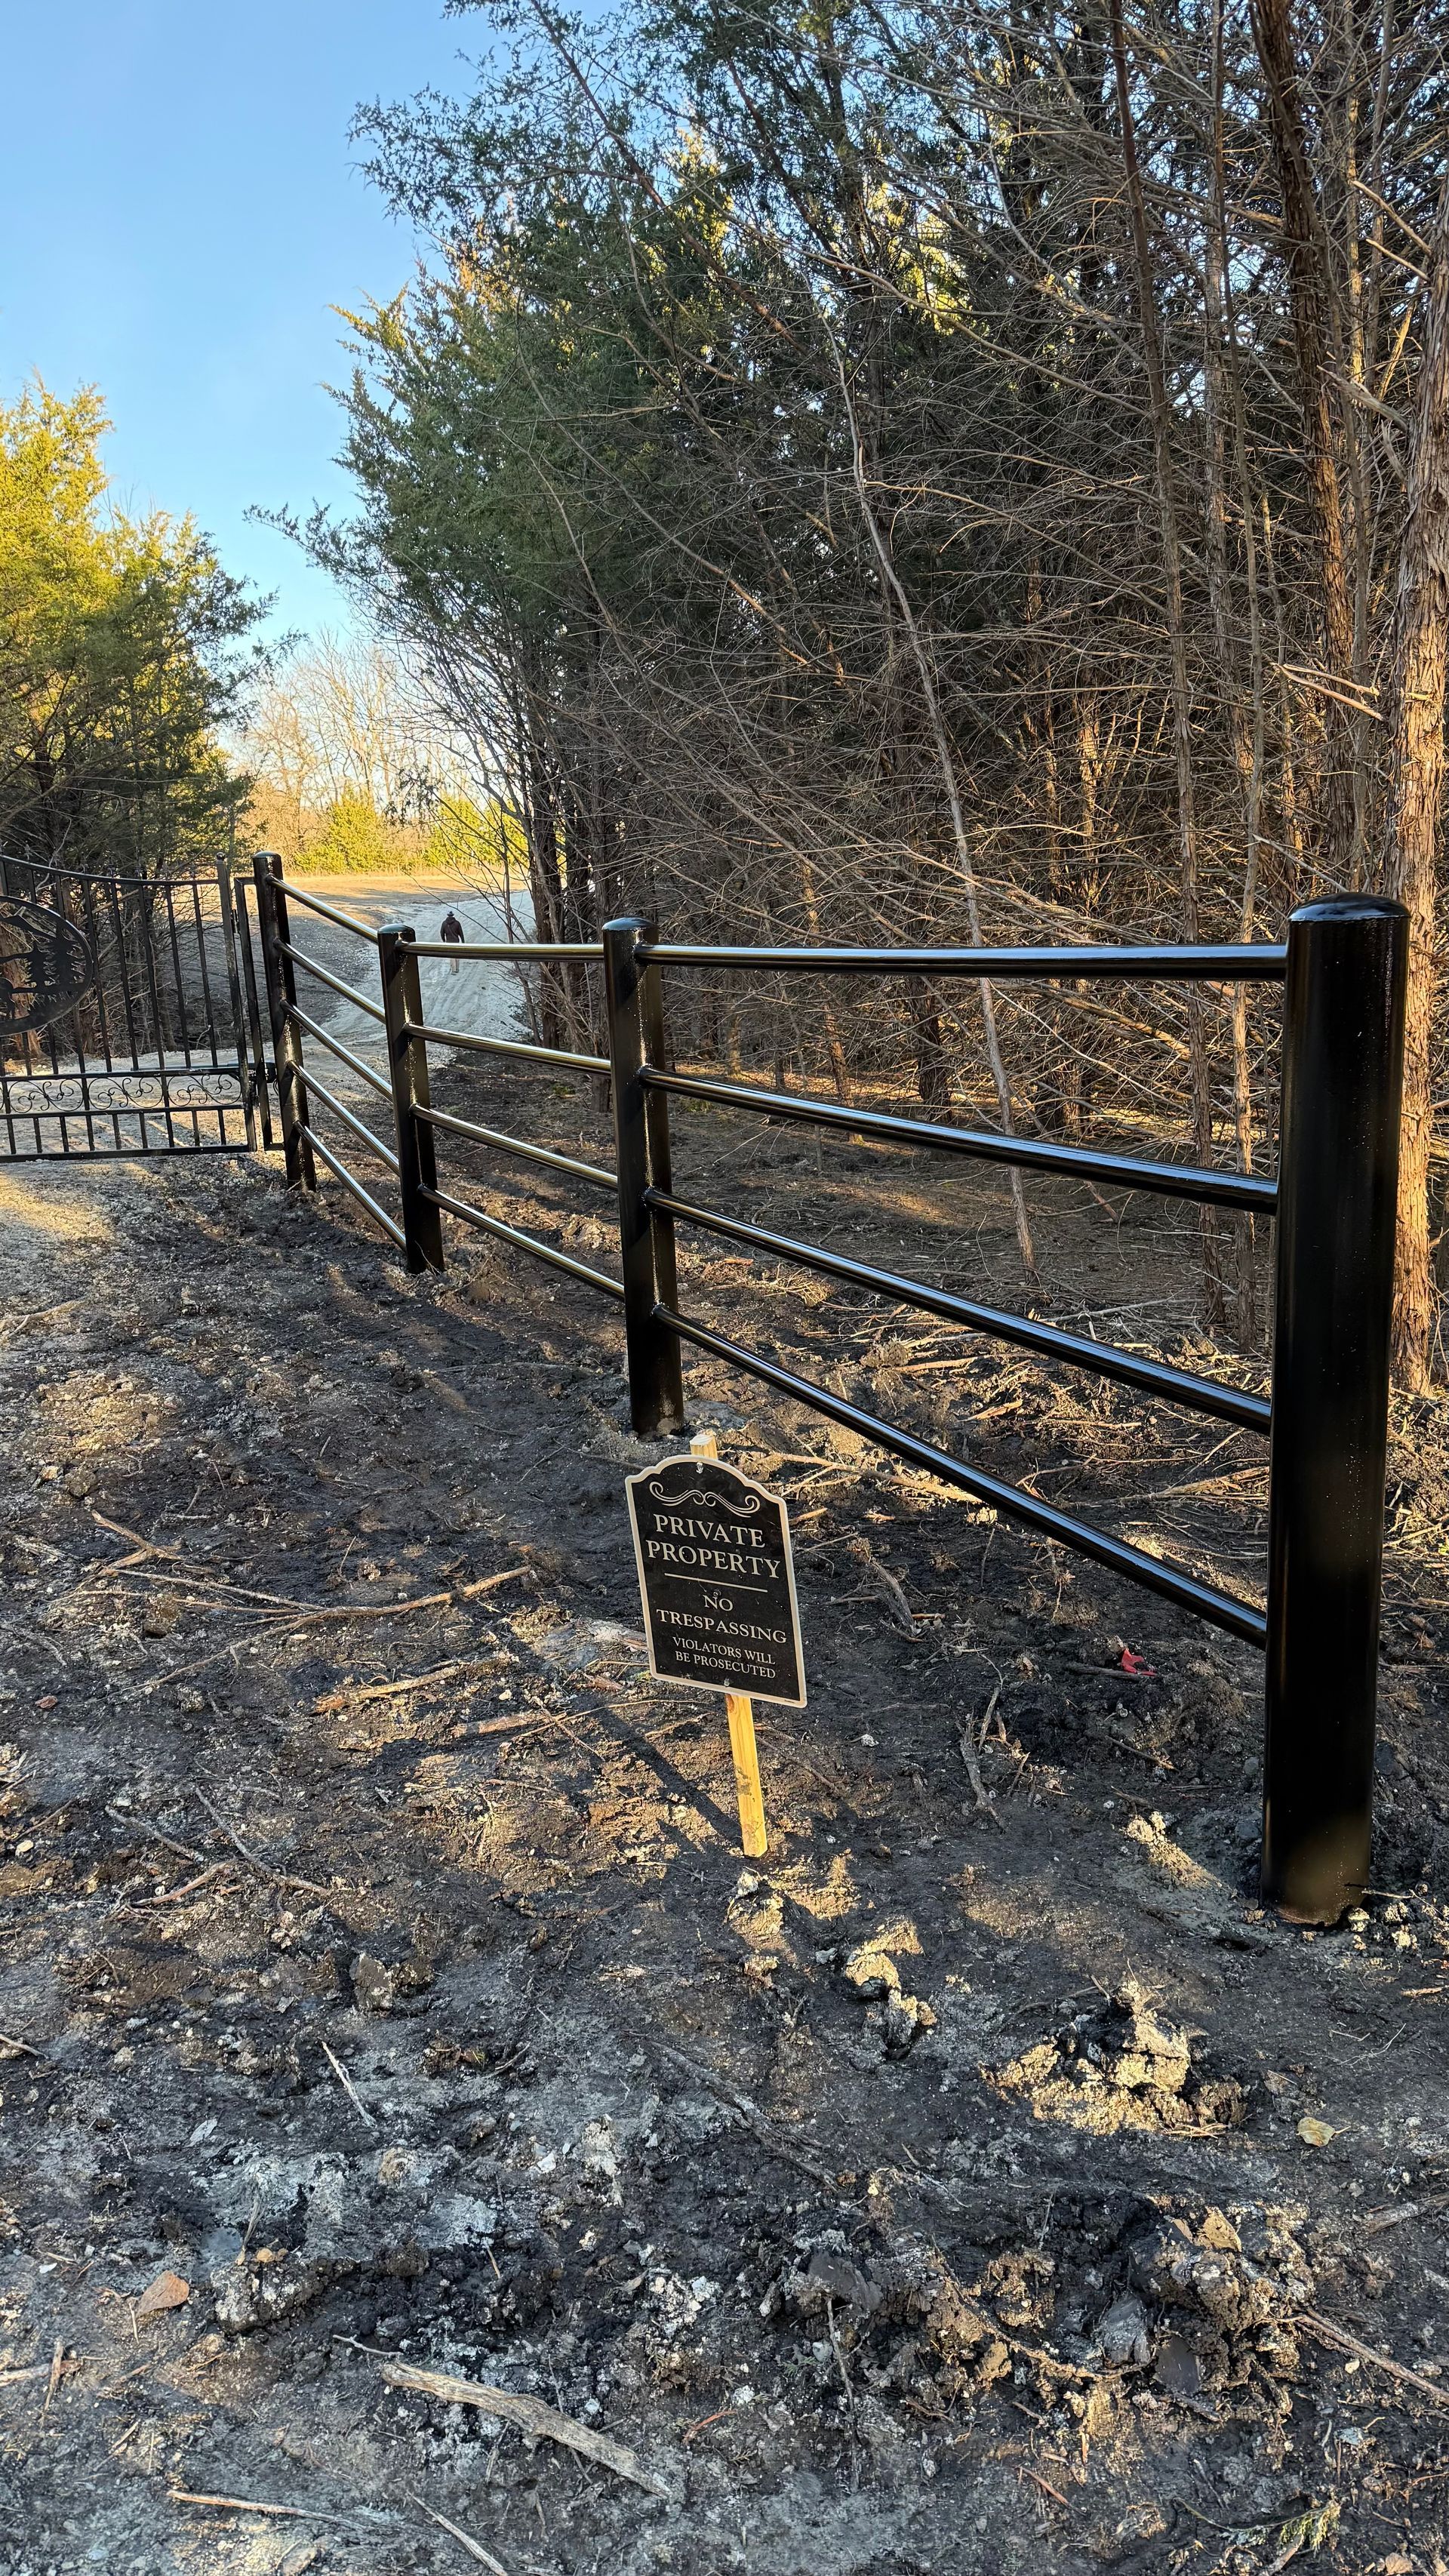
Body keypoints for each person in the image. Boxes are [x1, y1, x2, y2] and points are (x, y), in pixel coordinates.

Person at [441, 908, 464, 974]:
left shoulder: (444, 923)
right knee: (457, 955)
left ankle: (453, 970)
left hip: (449, 942)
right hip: (456, 941)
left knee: (451, 956)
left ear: (447, 915)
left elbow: (442, 932)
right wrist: (463, 942)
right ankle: (457, 968)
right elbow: (461, 933)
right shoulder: (457, 923)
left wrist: (444, 940)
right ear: (453, 915)